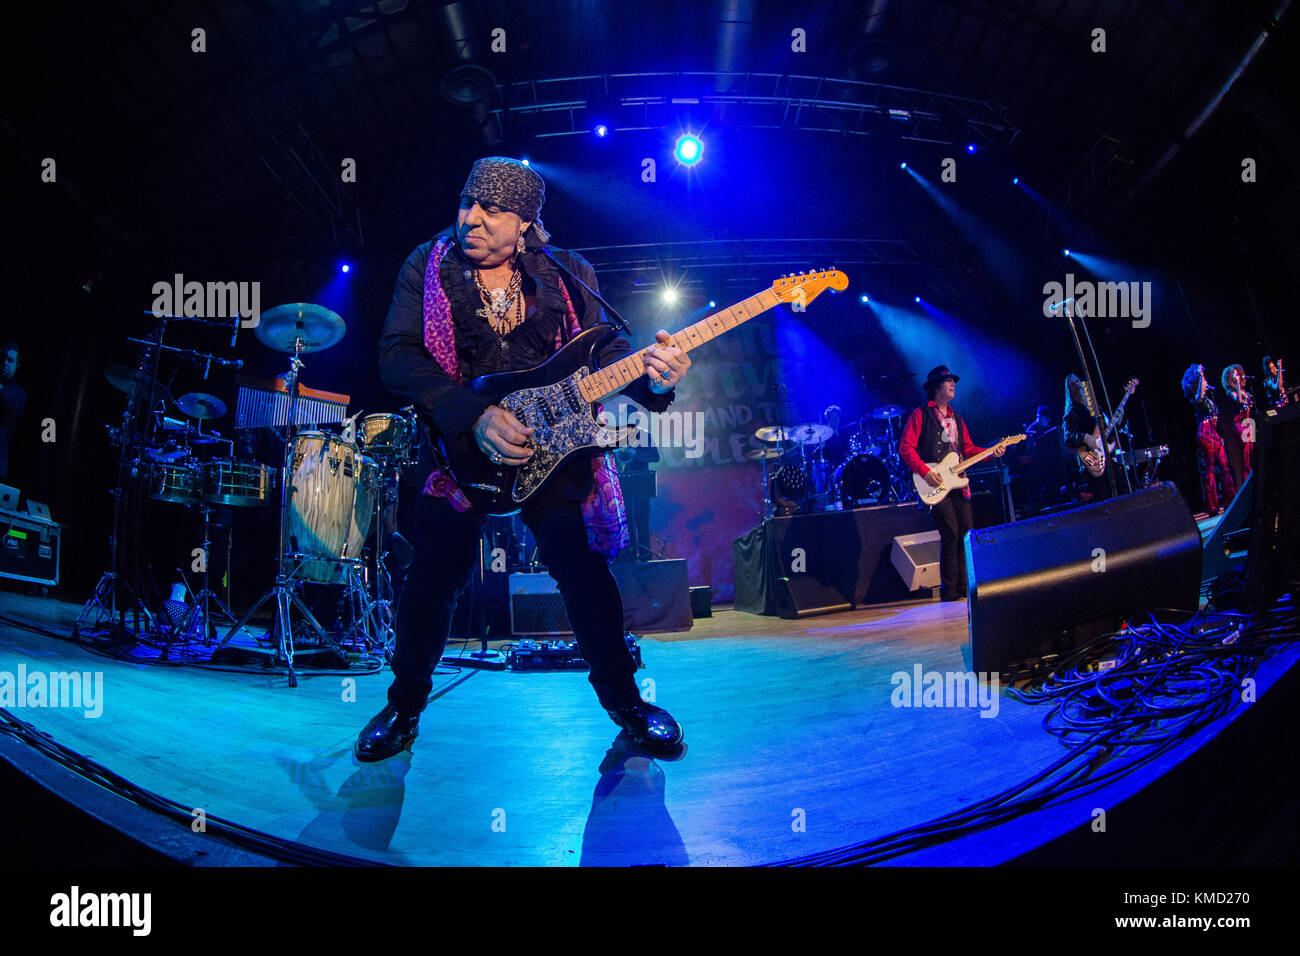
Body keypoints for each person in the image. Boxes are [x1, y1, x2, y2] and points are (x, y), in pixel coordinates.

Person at [357, 157, 692, 762]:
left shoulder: (568, 273)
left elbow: (608, 351)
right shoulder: (426, 265)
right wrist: (472, 415)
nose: (472, 218)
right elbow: (399, 357)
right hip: (456, 450)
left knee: (585, 577)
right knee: (432, 580)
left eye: (492, 210)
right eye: (466, 203)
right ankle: (404, 706)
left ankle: (627, 704)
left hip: (553, 450)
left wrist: (657, 380)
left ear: (527, 224)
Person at [898, 365, 1003, 601]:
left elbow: (968, 450)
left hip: (959, 483)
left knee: (966, 532)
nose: (953, 384)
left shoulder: (957, 417)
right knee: (950, 532)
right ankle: (949, 589)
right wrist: (925, 471)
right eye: (947, 381)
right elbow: (905, 448)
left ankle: (967, 586)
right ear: (936, 387)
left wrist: (991, 452)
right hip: (934, 482)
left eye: (953, 381)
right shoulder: (921, 415)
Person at [1182, 364, 1236, 515]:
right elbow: (1199, 396)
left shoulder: (1209, 398)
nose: (1205, 381)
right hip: (1205, 432)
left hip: (1214, 432)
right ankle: (1212, 506)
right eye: (1201, 379)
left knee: (1225, 467)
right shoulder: (1196, 398)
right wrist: (1199, 377)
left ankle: (1230, 501)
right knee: (1210, 468)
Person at [1061, 374, 1111, 504]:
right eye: (1072, 384)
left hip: (1106, 456)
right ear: (1069, 390)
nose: (1076, 385)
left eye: (1077, 381)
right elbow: (1067, 438)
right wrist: (1084, 437)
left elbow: (1107, 428)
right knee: (1103, 498)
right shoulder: (1072, 412)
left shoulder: (1095, 407)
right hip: (1091, 460)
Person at [1221, 363, 1254, 479]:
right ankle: (1248, 476)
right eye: (1234, 374)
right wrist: (1238, 384)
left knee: (1251, 450)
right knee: (1246, 451)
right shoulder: (1231, 392)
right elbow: (1239, 400)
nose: (1237, 375)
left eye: (1238, 373)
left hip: (1249, 420)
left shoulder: (1245, 391)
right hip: (1240, 423)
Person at [0, 342, 25, 482]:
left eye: (10, 360)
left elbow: (7, 401)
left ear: (17, 366)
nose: (5, 363)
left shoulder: (18, 393)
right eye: (2, 358)